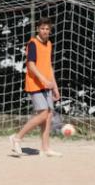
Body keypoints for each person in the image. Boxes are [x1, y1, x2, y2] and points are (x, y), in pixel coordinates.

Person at [9, 17, 62, 157]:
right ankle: (17, 138)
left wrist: (55, 87)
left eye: (47, 29)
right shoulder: (32, 43)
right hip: (35, 84)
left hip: (47, 85)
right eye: (42, 28)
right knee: (43, 113)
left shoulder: (49, 44)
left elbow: (49, 67)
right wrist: (43, 79)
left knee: (48, 115)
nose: (45, 31)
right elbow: (31, 65)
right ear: (38, 29)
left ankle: (45, 148)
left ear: (50, 31)